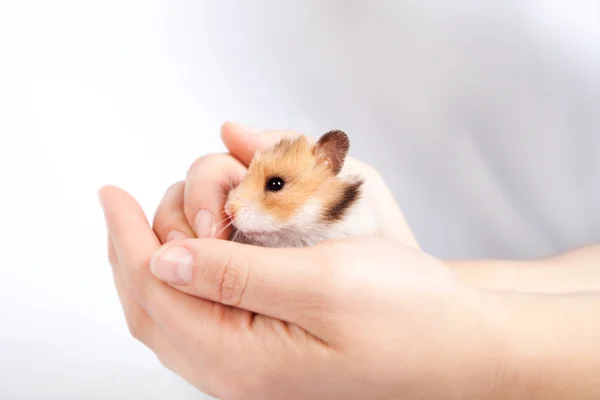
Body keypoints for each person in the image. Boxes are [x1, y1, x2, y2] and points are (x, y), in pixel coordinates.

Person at [99, 122, 600, 399]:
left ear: (329, 166)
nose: (236, 203)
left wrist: (470, 356)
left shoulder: (351, 220)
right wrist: (446, 303)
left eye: (273, 186)